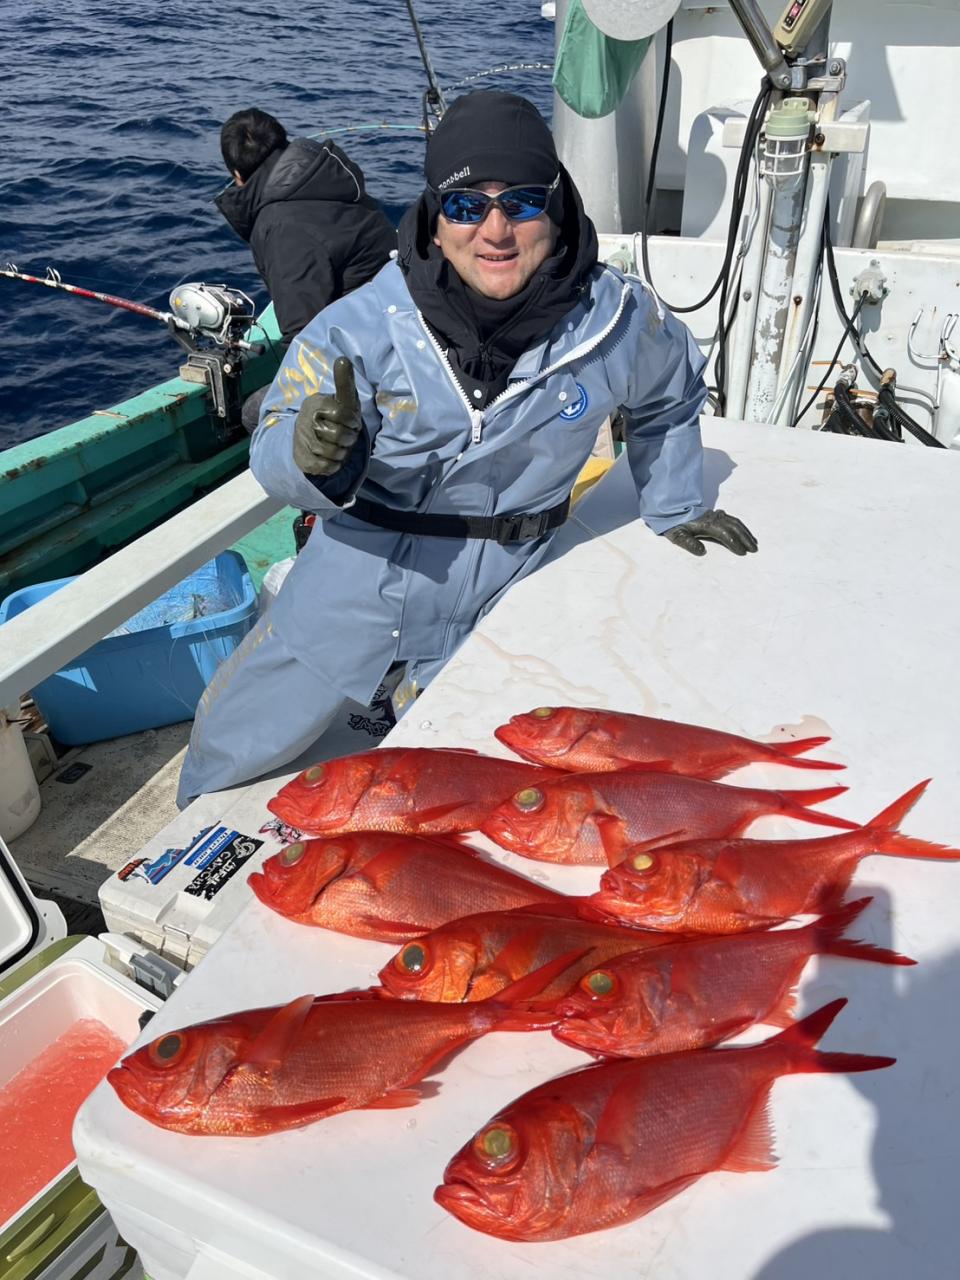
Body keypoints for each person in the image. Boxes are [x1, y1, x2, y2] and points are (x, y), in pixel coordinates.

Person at [177, 91, 756, 808]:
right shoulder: (357, 326)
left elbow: (671, 392)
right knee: (229, 749)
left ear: (557, 205)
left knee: (488, 794)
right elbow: (276, 439)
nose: (495, 231)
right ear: (434, 216)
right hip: (356, 581)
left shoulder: (619, 320)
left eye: (521, 202)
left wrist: (674, 502)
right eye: (465, 206)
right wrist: (307, 456)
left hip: (509, 594)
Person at [216, 107, 396, 370]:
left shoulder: (280, 227)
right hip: (397, 315)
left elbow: (306, 341)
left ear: (237, 175)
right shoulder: (325, 174)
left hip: (378, 351)